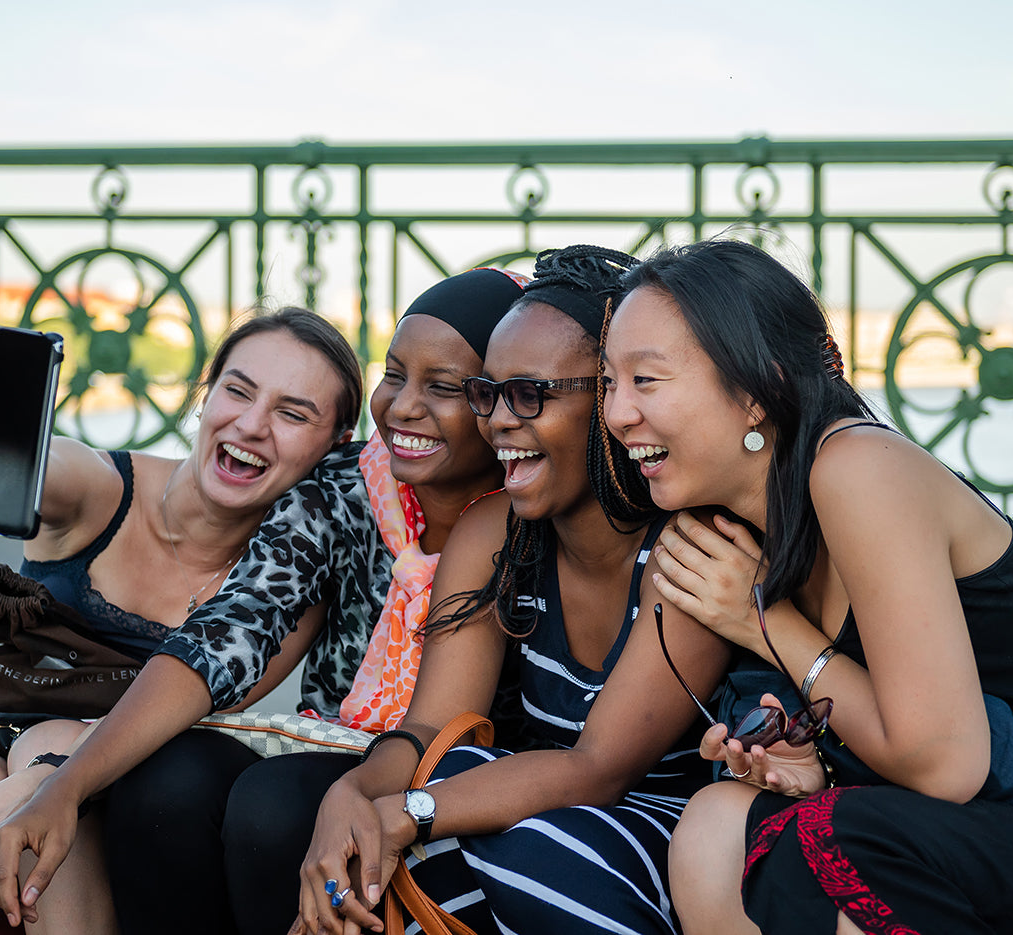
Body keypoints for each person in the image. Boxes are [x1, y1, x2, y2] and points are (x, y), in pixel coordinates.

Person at [0, 305, 383, 934]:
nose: (252, 425)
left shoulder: (290, 587)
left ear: (336, 448)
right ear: (206, 396)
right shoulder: (98, 488)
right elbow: (19, 466)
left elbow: (198, 713)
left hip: (130, 796)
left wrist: (41, 786)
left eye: (292, 413)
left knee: (46, 823)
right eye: (238, 390)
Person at [600, 239, 1013, 935]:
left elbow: (944, 763)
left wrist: (762, 617)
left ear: (757, 390)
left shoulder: (858, 468)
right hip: (977, 832)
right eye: (609, 382)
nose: (616, 414)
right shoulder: (738, 527)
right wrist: (805, 762)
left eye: (645, 380)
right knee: (718, 825)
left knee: (835, 840)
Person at [291, 245, 732, 935]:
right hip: (542, 816)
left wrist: (405, 813)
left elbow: (600, 768)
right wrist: (348, 797)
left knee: (494, 835)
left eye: (530, 394)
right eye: (486, 393)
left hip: (665, 832)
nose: (497, 419)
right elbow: (433, 726)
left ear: (613, 398)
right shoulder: (494, 532)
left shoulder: (690, 547)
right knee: (403, 822)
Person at [102, 267, 529, 935]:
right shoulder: (343, 488)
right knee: (165, 781)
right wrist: (57, 783)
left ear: (503, 401)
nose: (404, 406)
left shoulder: (537, 513)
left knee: (275, 806)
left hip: (473, 778)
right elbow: (232, 633)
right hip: (337, 741)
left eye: (443, 387)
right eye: (394, 374)